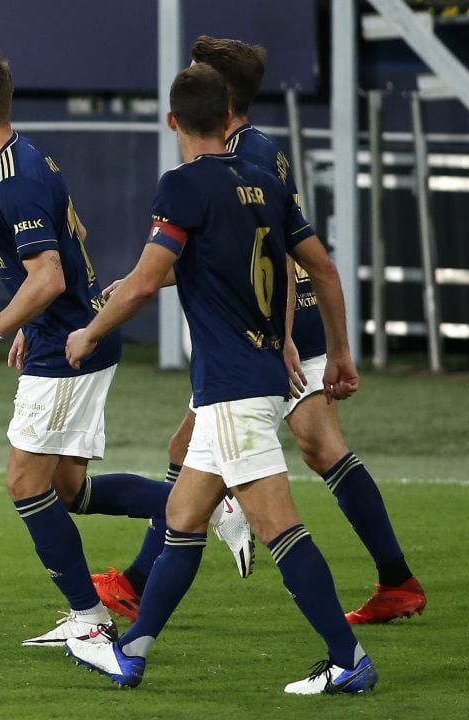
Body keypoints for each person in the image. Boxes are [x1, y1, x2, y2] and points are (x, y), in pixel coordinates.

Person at [63, 63, 377, 695]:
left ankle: (348, 659)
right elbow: (316, 269)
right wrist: (324, 346)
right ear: (230, 116)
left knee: (278, 526)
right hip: (245, 378)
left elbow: (150, 278)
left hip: (234, 386)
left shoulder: (181, 186)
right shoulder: (265, 181)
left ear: (173, 120)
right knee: (182, 518)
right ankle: (133, 653)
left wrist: (90, 331)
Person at [0, 50, 194, 646]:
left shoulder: (14, 177)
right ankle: (201, 503)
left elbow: (48, 275)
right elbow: (75, 241)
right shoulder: (24, 157)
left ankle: (90, 617)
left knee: (26, 483)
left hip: (69, 347)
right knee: (68, 488)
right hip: (67, 332)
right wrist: (33, 316)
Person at [158, 36, 421, 623]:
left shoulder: (244, 155)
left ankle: (136, 586)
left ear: (222, 94)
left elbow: (264, 251)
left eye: (200, 73)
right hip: (277, 319)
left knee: (209, 454)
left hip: (274, 324)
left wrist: (285, 337)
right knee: (317, 445)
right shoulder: (241, 149)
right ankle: (397, 580)